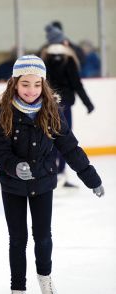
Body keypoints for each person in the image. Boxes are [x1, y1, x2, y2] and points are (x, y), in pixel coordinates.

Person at [0, 54, 104, 294]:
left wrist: (91, 177)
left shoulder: (52, 111)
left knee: (42, 237)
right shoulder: (3, 113)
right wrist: (13, 166)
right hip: (13, 187)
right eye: (25, 84)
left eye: (37, 84)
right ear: (14, 84)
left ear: (44, 84)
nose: (31, 90)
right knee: (17, 241)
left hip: (42, 183)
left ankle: (45, 278)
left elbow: (69, 147)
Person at [39, 28, 95, 187]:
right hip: (65, 105)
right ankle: (61, 172)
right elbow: (76, 83)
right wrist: (87, 103)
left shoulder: (44, 57)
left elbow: (41, 82)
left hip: (48, 104)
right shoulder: (69, 58)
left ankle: (50, 171)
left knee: (49, 137)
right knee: (65, 138)